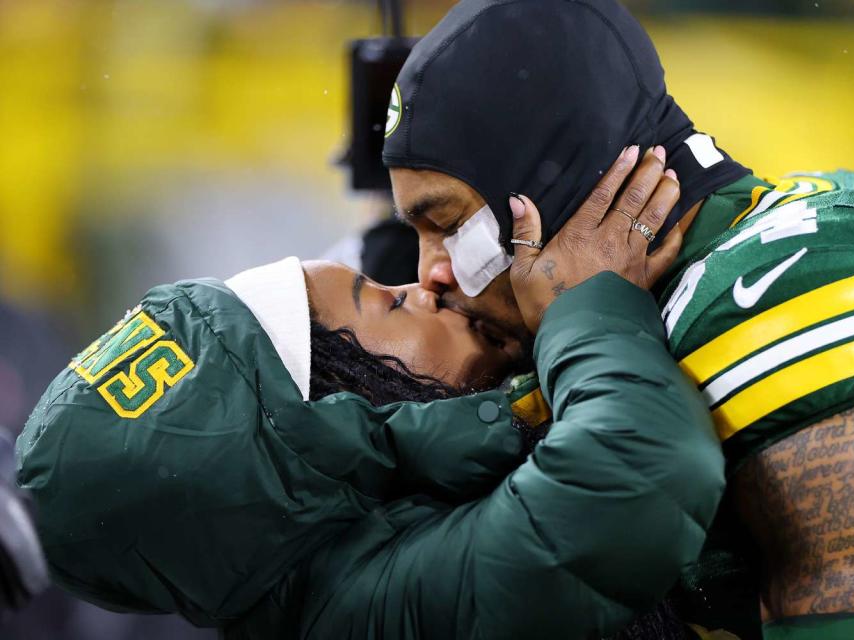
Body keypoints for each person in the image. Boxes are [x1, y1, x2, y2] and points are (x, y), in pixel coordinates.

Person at [381, 1, 854, 639]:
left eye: (449, 226)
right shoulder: (648, 312)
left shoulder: (778, 285)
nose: (430, 272)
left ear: (553, 187)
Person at [16, 158, 725, 639]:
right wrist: (592, 305)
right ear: (329, 411)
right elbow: (640, 470)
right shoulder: (370, 607)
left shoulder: (334, 558)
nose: (427, 283)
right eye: (386, 303)